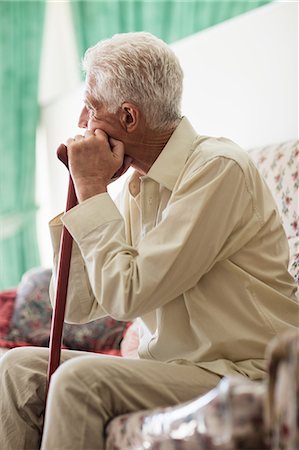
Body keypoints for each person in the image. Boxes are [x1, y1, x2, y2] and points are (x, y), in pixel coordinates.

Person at [0, 32, 298, 450]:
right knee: (15, 368)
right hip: (175, 368)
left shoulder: (217, 171)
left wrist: (91, 189)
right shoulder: (143, 183)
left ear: (128, 118)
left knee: (78, 380)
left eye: (90, 107)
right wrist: (85, 194)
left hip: (241, 370)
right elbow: (76, 307)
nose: (81, 123)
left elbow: (129, 294)